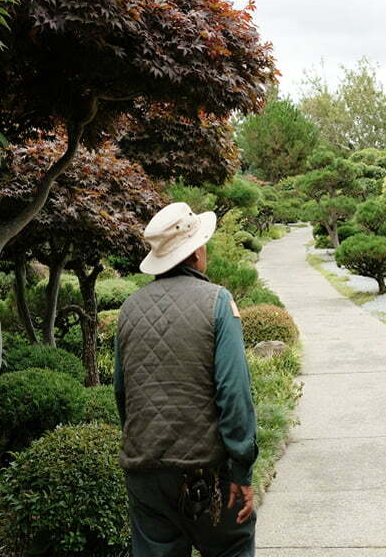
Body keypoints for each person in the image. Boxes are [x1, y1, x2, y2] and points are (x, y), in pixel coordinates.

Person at [114, 202, 258, 557]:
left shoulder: (129, 308)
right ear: (196, 252)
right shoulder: (218, 302)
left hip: (144, 472)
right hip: (205, 473)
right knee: (231, 547)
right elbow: (234, 392)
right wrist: (242, 470)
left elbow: (123, 393)